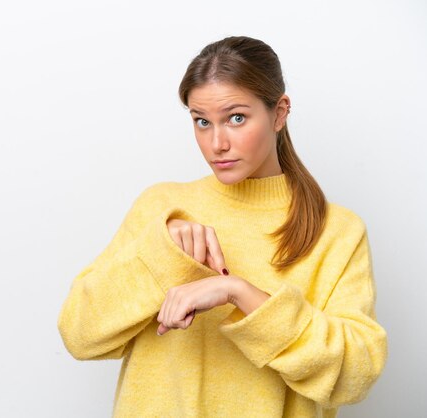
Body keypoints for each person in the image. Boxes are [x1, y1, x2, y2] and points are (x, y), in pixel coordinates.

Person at [57, 36, 387, 418]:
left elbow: (354, 376)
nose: (217, 143)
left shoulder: (337, 230)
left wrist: (239, 293)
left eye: (236, 118)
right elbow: (79, 336)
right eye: (201, 121)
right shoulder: (163, 209)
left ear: (279, 113)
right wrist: (161, 259)